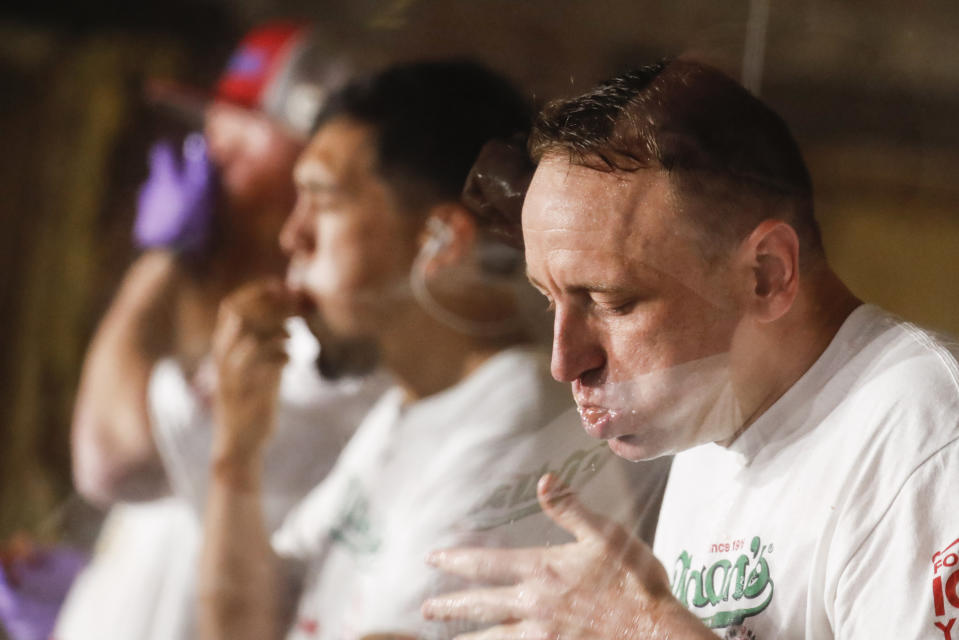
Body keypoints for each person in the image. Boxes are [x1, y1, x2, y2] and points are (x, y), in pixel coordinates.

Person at [421, 59, 959, 639]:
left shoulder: (924, 435)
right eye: (550, 300)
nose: (564, 361)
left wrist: (648, 628)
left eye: (613, 302)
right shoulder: (713, 415)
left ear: (767, 275)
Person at [198, 59, 669, 640]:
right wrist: (235, 455)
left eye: (322, 201)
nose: (292, 236)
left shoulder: (516, 421)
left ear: (440, 241)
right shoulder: (408, 410)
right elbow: (244, 624)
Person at [56, 22, 388, 640]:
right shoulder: (244, 322)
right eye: (214, 122)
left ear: (320, 160)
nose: (212, 149)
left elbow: (107, 458)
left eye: (244, 129)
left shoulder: (328, 354)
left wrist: (164, 256)